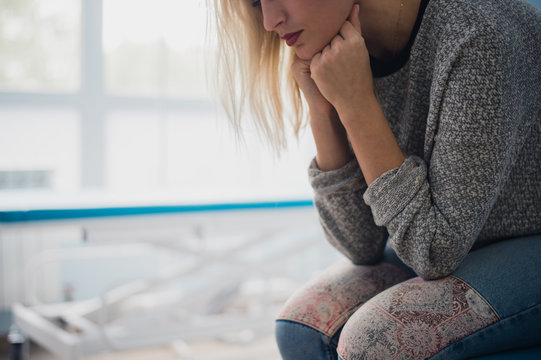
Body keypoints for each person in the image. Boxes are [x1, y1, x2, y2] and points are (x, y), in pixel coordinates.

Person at [209, 0, 541, 358]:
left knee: (375, 341)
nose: (270, 21)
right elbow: (360, 245)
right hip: (455, 242)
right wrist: (323, 110)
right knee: (301, 328)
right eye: (257, 3)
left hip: (528, 239)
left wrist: (356, 104)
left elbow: (434, 251)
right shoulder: (348, 52)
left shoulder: (479, 32)